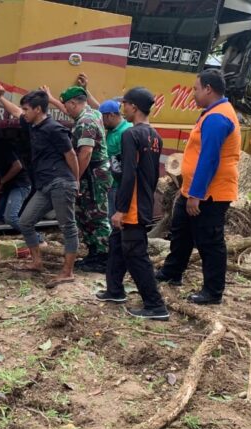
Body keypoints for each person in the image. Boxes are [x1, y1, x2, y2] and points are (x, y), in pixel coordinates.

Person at [156, 69, 241, 305]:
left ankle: (213, 292)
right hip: (194, 189)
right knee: (181, 233)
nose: (193, 93)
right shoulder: (211, 113)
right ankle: (172, 273)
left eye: (195, 89)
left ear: (208, 89)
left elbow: (209, 159)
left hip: (210, 193)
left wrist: (196, 194)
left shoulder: (218, 118)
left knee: (209, 242)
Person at [0, 86, 80, 287]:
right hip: (44, 185)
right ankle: (37, 262)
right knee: (25, 221)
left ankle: (67, 272)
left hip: (60, 182)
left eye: (27, 109)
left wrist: (75, 182)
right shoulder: (32, 125)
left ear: (38, 110)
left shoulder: (55, 129)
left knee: (68, 226)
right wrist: (1, 98)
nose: (24, 112)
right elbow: (15, 112)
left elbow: (71, 155)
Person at [96, 88, 169, 320]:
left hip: (133, 204)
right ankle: (114, 290)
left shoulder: (131, 135)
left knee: (135, 253)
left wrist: (121, 209)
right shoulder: (155, 136)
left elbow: (129, 175)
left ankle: (155, 305)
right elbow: (153, 175)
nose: (122, 108)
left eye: (124, 104)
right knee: (117, 243)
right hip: (144, 199)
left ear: (134, 107)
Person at [45, 85, 112, 273]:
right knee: (85, 215)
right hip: (93, 175)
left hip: (92, 176)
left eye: (67, 106)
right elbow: (69, 111)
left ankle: (104, 258)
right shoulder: (92, 113)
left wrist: (74, 179)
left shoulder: (86, 123)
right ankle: (94, 254)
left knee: (96, 217)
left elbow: (85, 153)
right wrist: (52, 99)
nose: (65, 110)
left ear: (74, 103)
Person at [99, 99, 133, 219]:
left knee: (114, 220)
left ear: (111, 115)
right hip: (110, 184)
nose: (101, 122)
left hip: (117, 185)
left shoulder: (125, 132)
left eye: (103, 118)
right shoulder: (113, 130)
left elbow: (125, 162)